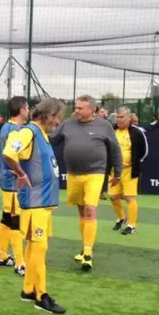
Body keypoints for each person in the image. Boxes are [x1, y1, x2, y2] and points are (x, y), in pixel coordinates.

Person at [3, 98, 67, 314]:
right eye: (57, 116)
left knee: (35, 247)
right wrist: (21, 173)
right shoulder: (29, 132)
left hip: (42, 203)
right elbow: (9, 153)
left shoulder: (41, 134)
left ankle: (28, 289)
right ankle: (41, 295)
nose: (58, 121)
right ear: (47, 114)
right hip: (35, 203)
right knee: (39, 249)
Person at [49, 95, 122, 271]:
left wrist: (118, 172)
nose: (76, 110)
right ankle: (84, 247)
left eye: (80, 108)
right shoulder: (68, 123)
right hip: (73, 174)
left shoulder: (104, 126)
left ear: (91, 109)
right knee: (82, 211)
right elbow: (52, 138)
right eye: (76, 107)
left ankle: (88, 253)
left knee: (90, 210)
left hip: (95, 173)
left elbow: (115, 150)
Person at [0, 96, 30, 276]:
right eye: (28, 107)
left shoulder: (6, 127)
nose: (29, 111)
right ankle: (20, 262)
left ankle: (2, 255)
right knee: (15, 219)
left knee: (7, 217)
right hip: (12, 179)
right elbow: (15, 155)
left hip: (6, 177)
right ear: (23, 109)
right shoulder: (15, 130)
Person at [110, 107, 148, 235]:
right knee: (113, 197)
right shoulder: (111, 130)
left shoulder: (136, 132)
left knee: (129, 197)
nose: (119, 120)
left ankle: (132, 225)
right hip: (114, 171)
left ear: (129, 118)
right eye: (118, 117)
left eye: (122, 117)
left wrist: (135, 162)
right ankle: (122, 218)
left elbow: (144, 151)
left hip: (129, 170)